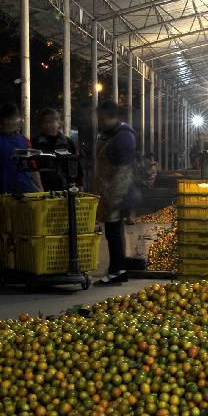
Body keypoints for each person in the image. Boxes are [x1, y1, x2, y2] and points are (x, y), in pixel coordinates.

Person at [94, 101, 136, 285]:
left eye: (102, 118)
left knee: (113, 232)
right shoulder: (109, 133)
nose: (100, 122)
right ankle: (117, 268)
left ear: (112, 117)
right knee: (113, 231)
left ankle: (117, 270)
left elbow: (124, 170)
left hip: (117, 190)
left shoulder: (123, 137)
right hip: (108, 188)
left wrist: (115, 196)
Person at [0, 103, 43, 195]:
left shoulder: (25, 141)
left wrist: (40, 190)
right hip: (0, 195)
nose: (12, 122)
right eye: (9, 119)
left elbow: (32, 169)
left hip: (26, 193)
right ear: (2, 120)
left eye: (14, 118)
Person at [34, 108, 79, 189]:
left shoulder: (68, 143)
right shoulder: (36, 143)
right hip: (42, 187)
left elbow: (76, 164)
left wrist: (79, 183)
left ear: (59, 123)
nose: (48, 125)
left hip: (64, 186)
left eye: (51, 122)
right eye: (45, 122)